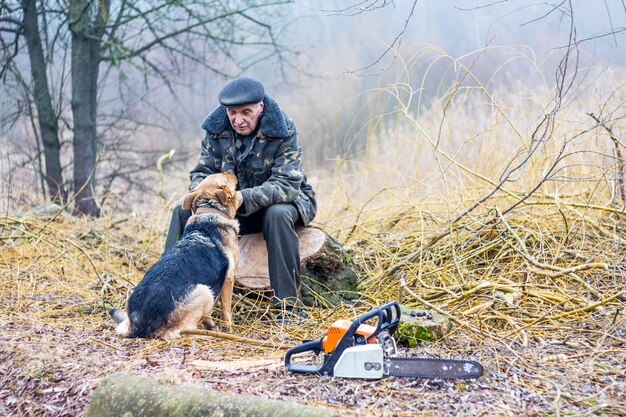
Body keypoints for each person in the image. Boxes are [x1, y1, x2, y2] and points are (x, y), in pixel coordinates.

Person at [164, 76, 317, 323]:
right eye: (232, 112)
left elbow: (287, 185)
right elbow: (200, 173)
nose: (238, 119)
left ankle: (288, 307)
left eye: (246, 112)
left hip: (284, 203)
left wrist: (242, 197)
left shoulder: (283, 129)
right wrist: (206, 198)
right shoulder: (216, 129)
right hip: (231, 209)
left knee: (277, 214)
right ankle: (167, 294)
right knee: (180, 213)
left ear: (261, 107)